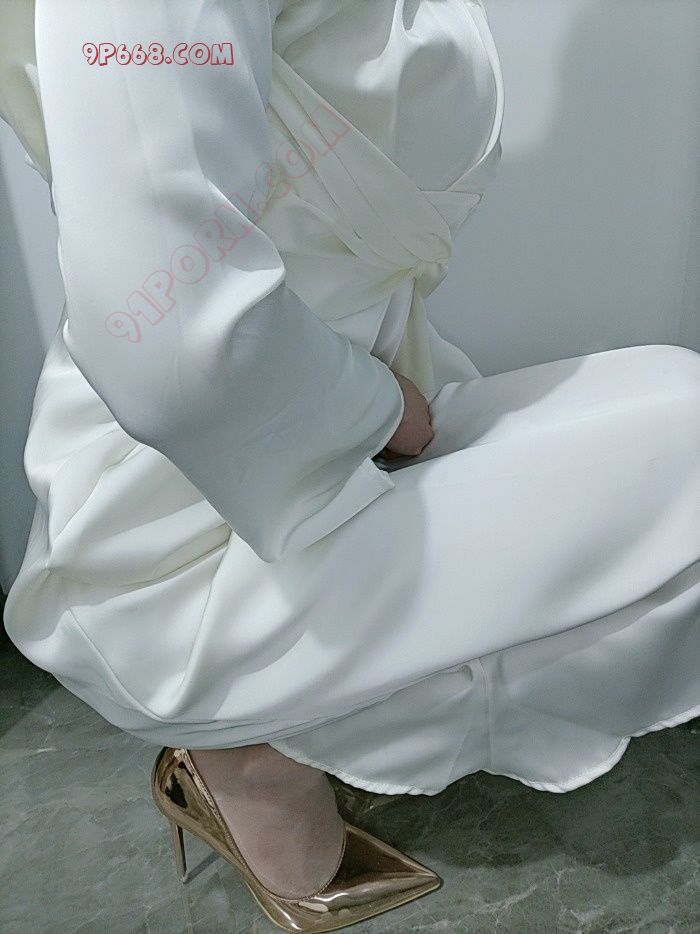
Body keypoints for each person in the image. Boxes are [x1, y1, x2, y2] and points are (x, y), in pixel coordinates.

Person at [2, 1, 699, 930]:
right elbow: (168, 344)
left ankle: (274, 730)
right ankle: (249, 752)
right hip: (197, 521)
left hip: (298, 432)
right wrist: (376, 409)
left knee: (667, 424)